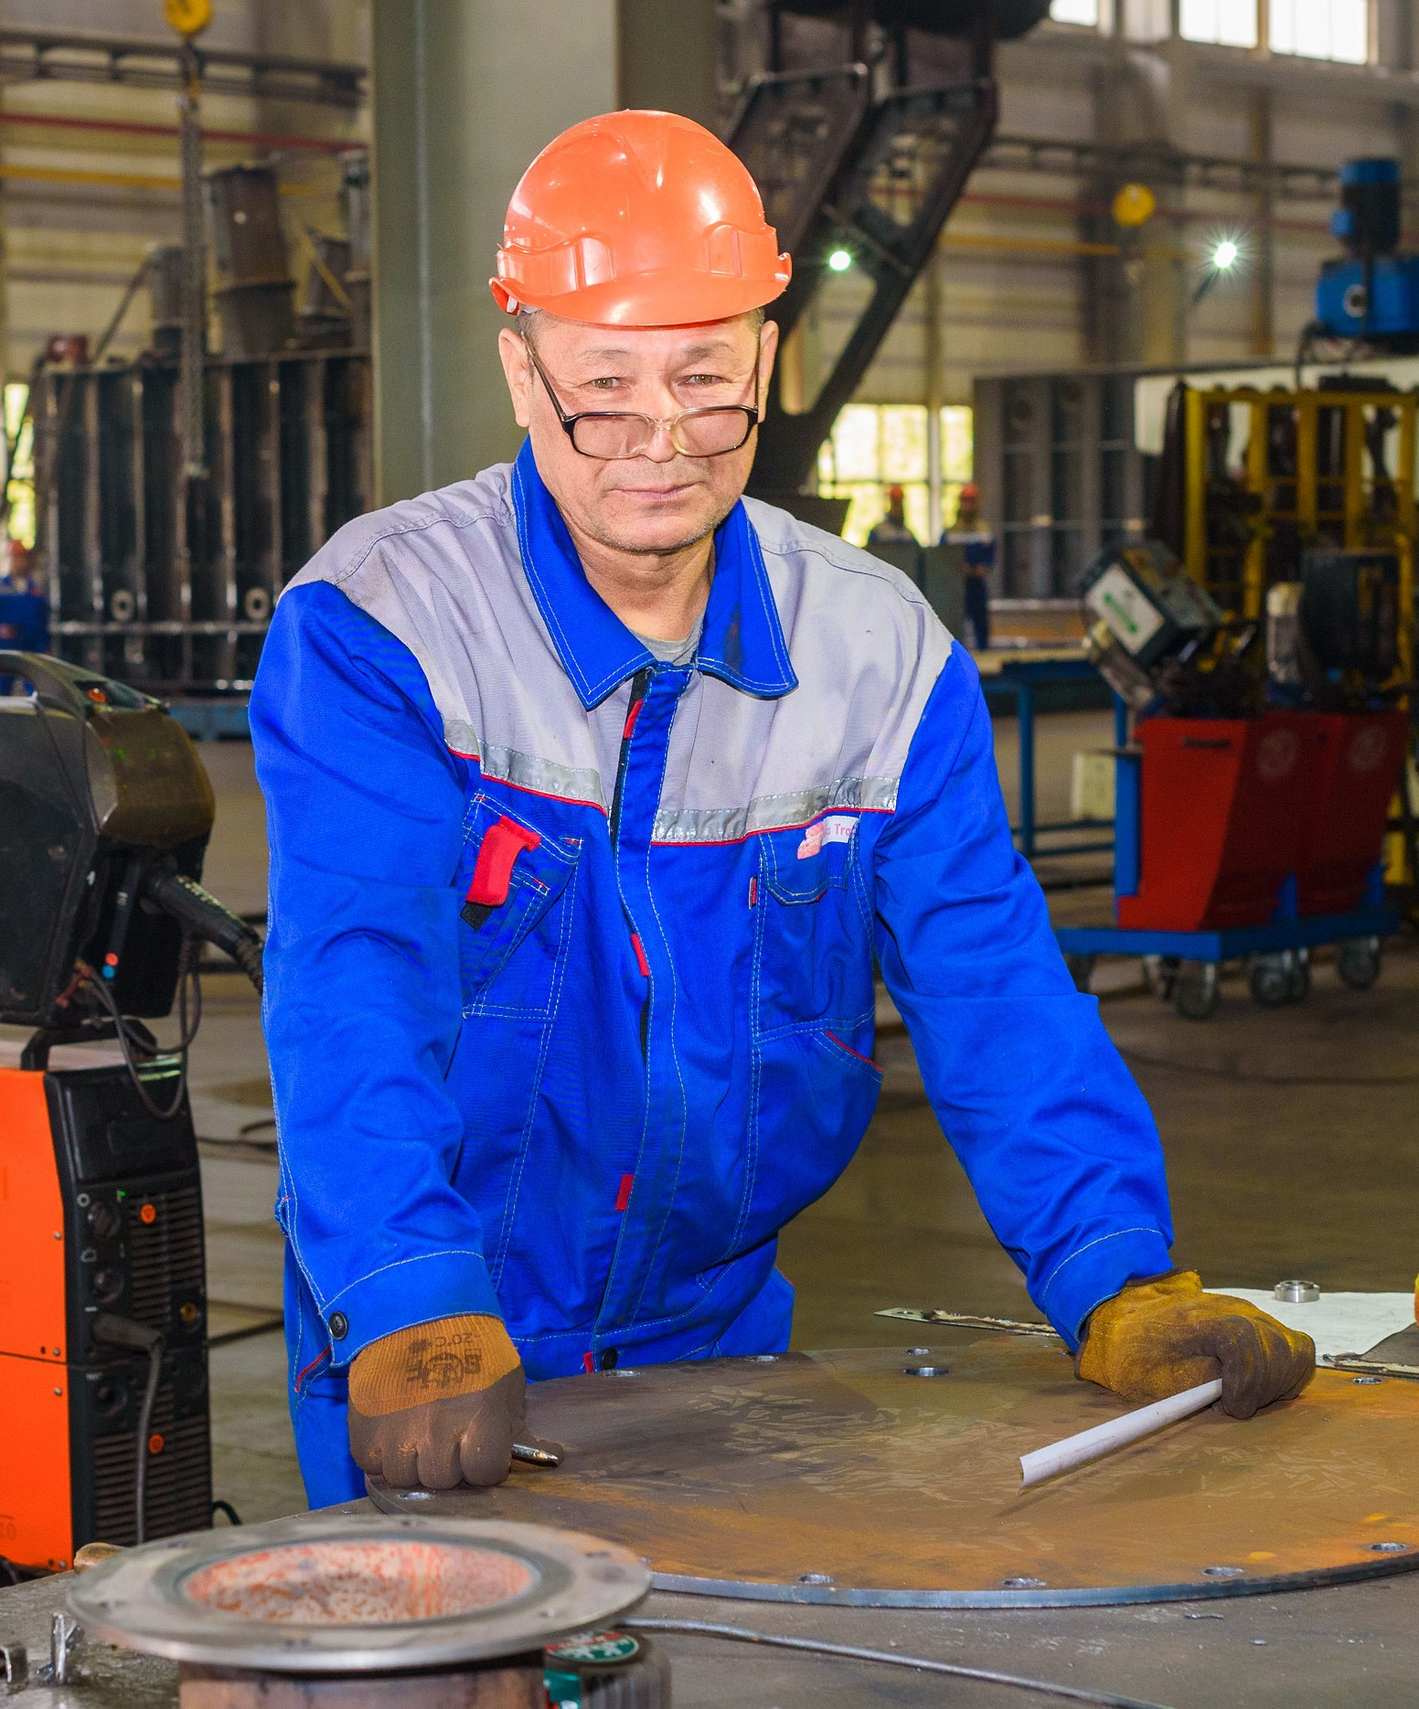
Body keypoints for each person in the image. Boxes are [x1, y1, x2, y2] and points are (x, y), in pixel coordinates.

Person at [248, 109, 1311, 1504]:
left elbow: (992, 990)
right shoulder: (383, 627)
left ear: (770, 353)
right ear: (521, 371)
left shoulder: (882, 657)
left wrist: (1115, 1270)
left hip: (719, 1348)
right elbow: (352, 979)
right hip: (439, 1339)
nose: (661, 441)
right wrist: (402, 1286)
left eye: (706, 377)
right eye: (604, 387)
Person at [945, 482, 995, 650]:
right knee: (955, 624)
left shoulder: (984, 530)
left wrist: (984, 567)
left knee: (980, 621)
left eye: (971, 500)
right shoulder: (951, 532)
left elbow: (991, 554)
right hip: (957, 587)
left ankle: (983, 650)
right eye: (965, 500)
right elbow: (941, 559)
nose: (968, 505)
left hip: (977, 585)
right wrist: (958, 570)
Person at [865, 482, 918, 553]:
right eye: (895, 503)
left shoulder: (908, 534)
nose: (898, 508)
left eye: (900, 504)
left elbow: (918, 555)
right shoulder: (878, 532)